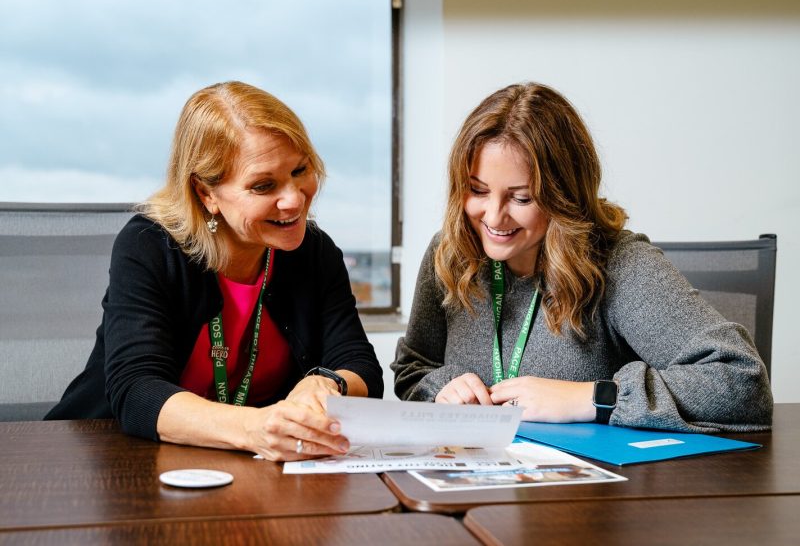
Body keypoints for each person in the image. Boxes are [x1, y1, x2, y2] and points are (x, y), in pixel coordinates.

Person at [392, 82, 772, 432]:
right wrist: (444, 388)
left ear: (564, 195)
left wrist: (591, 398)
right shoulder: (451, 251)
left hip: (593, 480)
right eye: (478, 191)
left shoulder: (620, 264)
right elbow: (414, 368)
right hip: (480, 474)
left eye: (521, 198)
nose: (493, 217)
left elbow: (742, 382)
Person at [46, 81, 383, 460]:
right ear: (206, 194)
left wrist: (327, 384)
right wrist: (256, 427)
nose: (294, 199)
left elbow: (361, 367)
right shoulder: (149, 246)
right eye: (263, 186)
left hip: (251, 466)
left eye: (300, 170)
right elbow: (137, 390)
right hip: (115, 458)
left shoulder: (314, 252)